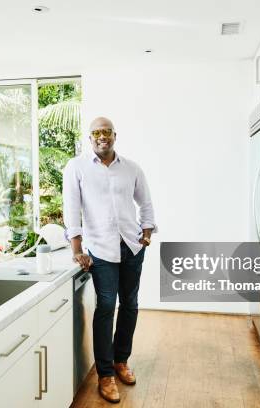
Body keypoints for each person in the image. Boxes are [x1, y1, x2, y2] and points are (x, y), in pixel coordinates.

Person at [62, 116, 157, 403]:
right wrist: (77, 248)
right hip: (100, 249)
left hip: (131, 246)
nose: (102, 137)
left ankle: (120, 360)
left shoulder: (131, 168)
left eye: (107, 132)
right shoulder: (76, 167)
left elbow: (146, 202)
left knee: (130, 304)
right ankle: (105, 374)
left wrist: (147, 231)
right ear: (89, 138)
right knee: (106, 305)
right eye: (96, 133)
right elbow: (72, 207)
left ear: (115, 135)